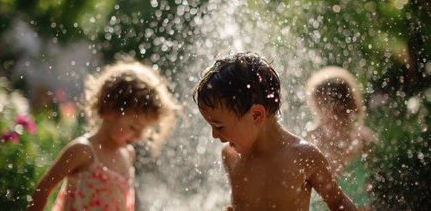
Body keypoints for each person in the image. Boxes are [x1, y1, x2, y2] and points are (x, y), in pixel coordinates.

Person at [193, 52, 357, 211]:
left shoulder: (303, 156)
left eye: (219, 126)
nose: (214, 135)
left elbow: (337, 202)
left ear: (256, 115)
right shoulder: (231, 157)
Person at [27, 59, 179, 211]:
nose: (139, 136)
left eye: (145, 130)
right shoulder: (83, 151)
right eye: (133, 127)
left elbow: (130, 200)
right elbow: (44, 189)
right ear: (109, 111)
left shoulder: (128, 154)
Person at [304, 66, 374, 210]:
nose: (319, 114)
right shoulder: (313, 136)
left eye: (321, 106)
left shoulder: (358, 137)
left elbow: (335, 168)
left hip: (356, 205)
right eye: (317, 107)